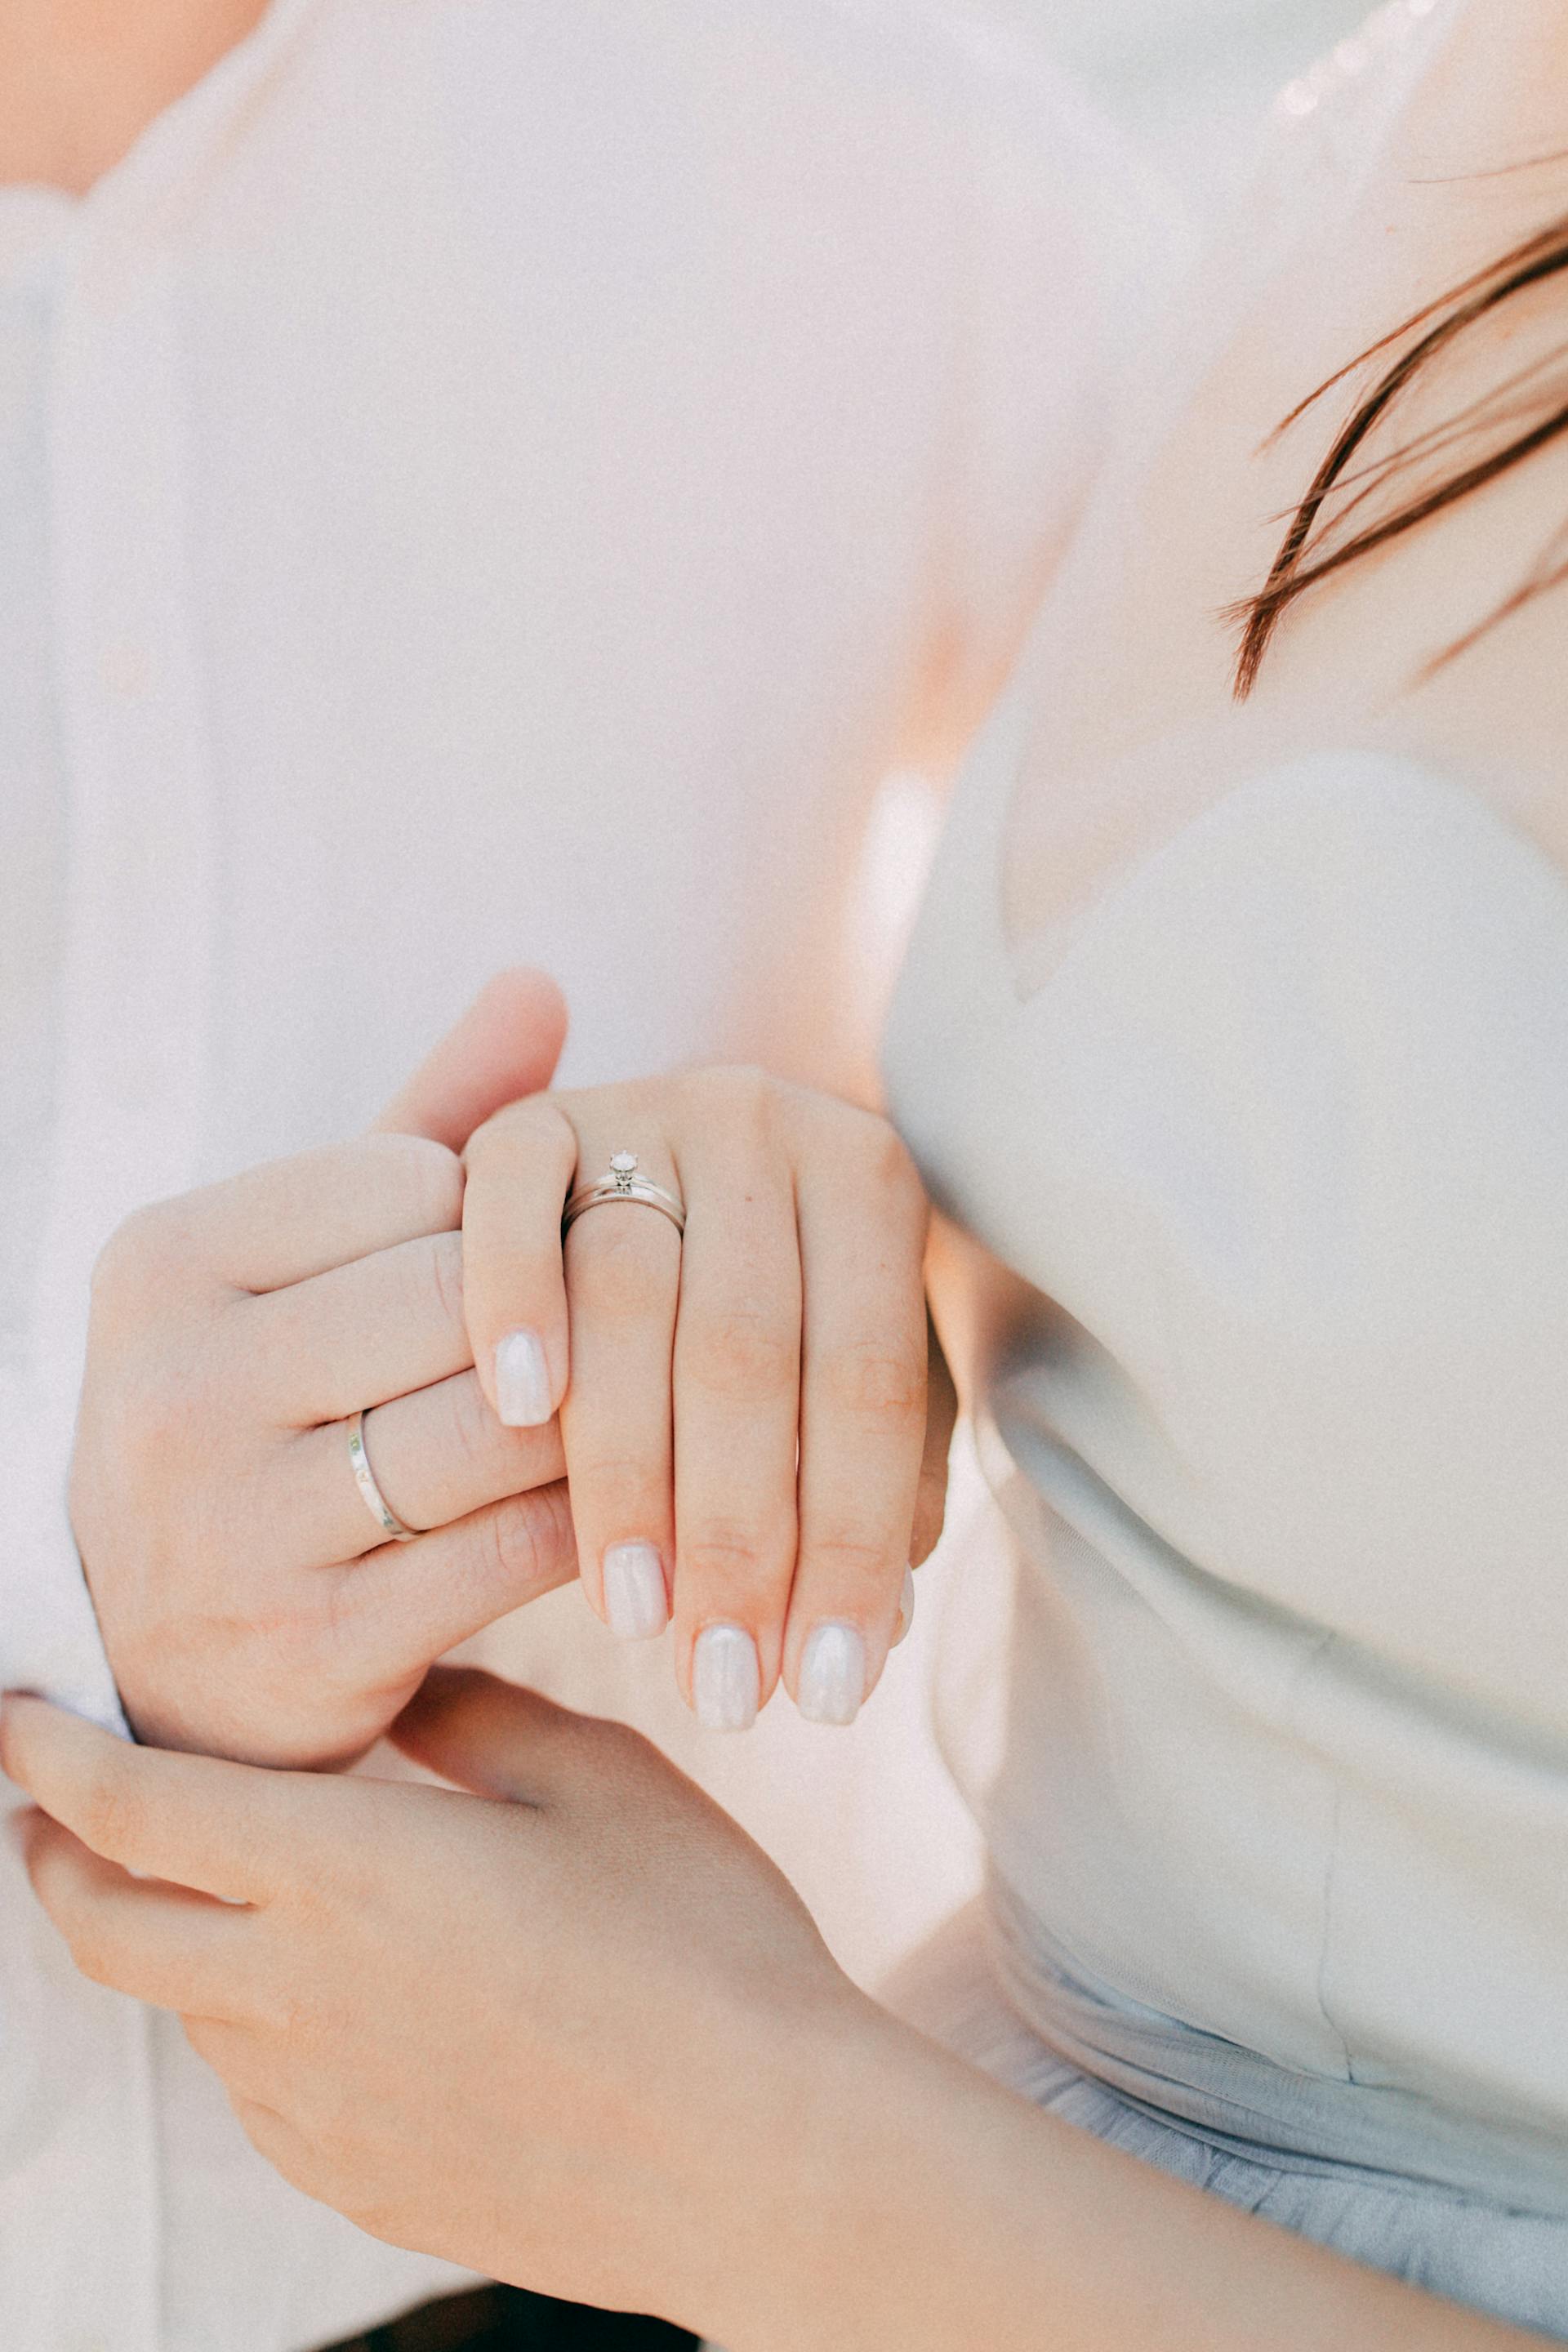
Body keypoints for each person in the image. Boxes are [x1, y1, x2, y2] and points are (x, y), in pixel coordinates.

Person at [14, 0, 1568, 2342]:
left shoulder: (900, 178)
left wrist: (789, 1236)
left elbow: (1256, 1197)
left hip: (673, 2263)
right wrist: (70, 1593)